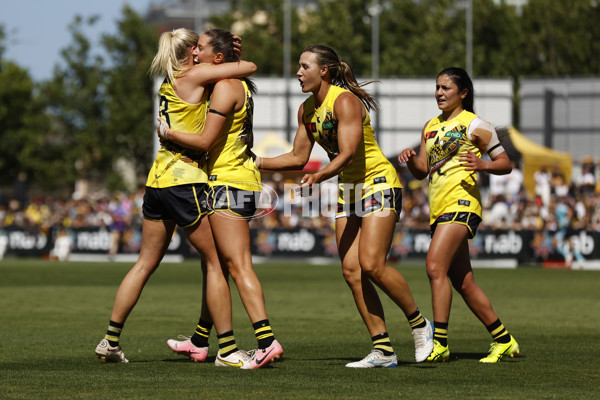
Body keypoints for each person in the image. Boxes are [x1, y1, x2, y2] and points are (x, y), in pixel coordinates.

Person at [245, 44, 433, 368]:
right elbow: (297, 157)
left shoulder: (345, 101)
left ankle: (419, 324)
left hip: (377, 182)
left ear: (324, 71)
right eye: (299, 66)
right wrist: (254, 161)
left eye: (305, 67)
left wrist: (318, 177)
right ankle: (383, 350)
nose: (298, 72)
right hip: (348, 189)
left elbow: (347, 152)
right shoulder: (305, 110)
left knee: (372, 265)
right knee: (351, 271)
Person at [94, 28, 257, 367]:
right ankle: (227, 349)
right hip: (186, 180)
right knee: (218, 264)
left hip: (157, 181)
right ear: (190, 53)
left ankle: (110, 340)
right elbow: (249, 69)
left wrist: (220, 55)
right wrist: (230, 56)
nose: (200, 50)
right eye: (196, 46)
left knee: (143, 264)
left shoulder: (168, 82)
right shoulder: (196, 73)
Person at [156, 29, 283, 369]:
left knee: (236, 266)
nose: (194, 53)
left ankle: (265, 341)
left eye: (201, 48)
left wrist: (168, 133)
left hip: (226, 183)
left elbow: (205, 141)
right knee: (219, 265)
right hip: (239, 181)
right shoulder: (234, 83)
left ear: (217, 58)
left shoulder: (225, 86)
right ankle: (200, 339)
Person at [397, 67, 520, 363]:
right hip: (439, 209)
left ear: (463, 93)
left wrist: (483, 165)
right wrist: (411, 161)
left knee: (434, 267)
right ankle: (504, 340)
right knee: (463, 282)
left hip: (462, 205)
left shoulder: (476, 125)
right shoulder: (430, 126)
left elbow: (506, 163)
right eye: (437, 87)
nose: (439, 92)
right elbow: (422, 170)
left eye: (446, 88)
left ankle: (439, 343)